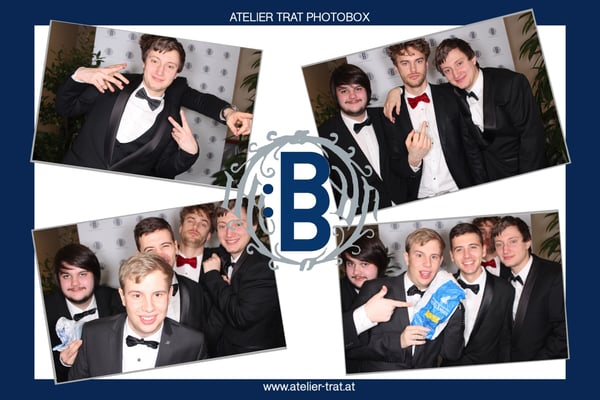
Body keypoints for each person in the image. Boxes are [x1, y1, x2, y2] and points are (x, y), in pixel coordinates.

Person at [55, 34, 252, 179]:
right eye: (155, 61)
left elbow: (162, 171)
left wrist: (190, 152)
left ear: (176, 74)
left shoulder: (174, 106)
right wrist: (80, 75)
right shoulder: (112, 82)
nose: (160, 71)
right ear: (144, 62)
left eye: (170, 66)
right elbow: (65, 108)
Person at [68, 252, 207, 380]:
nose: (148, 307)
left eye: (157, 294)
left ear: (170, 295)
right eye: (137, 295)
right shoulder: (92, 334)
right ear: (122, 297)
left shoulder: (193, 343)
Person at [346, 228, 464, 371]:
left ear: (440, 261)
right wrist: (399, 341)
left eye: (433, 257)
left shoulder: (444, 299)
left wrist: (455, 305)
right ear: (407, 258)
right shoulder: (374, 289)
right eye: (419, 255)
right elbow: (350, 348)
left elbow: (451, 354)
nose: (427, 264)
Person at [383, 39, 487, 201]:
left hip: (459, 190)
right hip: (419, 198)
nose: (413, 69)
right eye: (404, 63)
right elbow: (393, 165)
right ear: (396, 68)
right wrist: (413, 160)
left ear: (426, 64)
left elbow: (472, 148)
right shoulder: (391, 110)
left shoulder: (453, 94)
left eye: (418, 61)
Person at [317, 63, 408, 213]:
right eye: (344, 91)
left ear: (367, 91)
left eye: (358, 89)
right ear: (335, 95)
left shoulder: (387, 115)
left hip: (406, 202)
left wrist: (397, 90)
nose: (352, 96)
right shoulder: (322, 136)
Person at [201, 198, 286, 356]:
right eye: (222, 226)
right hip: (219, 349)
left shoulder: (265, 264)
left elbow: (242, 317)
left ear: (254, 226)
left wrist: (214, 277)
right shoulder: (221, 254)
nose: (229, 233)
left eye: (238, 224)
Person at [134, 216, 223, 356]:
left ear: (175, 247)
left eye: (165, 246)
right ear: (139, 255)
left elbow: (206, 340)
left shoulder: (195, 290)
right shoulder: (129, 297)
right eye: (150, 250)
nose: (160, 255)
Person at [43, 243, 124, 383]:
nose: (75, 283)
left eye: (82, 274)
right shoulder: (43, 311)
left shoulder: (118, 300)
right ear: (58, 279)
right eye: (66, 276)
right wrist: (62, 362)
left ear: (95, 276)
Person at [492, 216, 568, 361]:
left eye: (513, 241)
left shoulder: (555, 275)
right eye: (499, 244)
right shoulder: (501, 278)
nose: (505, 250)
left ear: (527, 242)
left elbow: (564, 332)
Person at [441, 223, 514, 366]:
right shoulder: (441, 288)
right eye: (459, 249)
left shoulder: (504, 290)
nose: (467, 255)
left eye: (473, 247)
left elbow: (506, 341)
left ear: (484, 250)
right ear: (452, 256)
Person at [339, 233, 410, 373]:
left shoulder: (395, 289)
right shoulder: (333, 294)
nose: (356, 271)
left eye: (364, 264)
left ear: (380, 265)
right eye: (350, 263)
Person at [175, 203, 225, 283]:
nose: (195, 226)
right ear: (180, 228)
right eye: (190, 221)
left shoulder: (221, 263)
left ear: (208, 235)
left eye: (203, 224)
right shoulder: (163, 257)